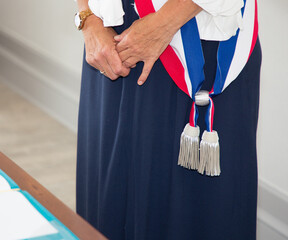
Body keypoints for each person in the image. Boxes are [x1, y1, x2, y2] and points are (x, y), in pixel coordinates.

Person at [75, 0, 261, 239]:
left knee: (188, 219)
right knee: (105, 208)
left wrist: (162, 25)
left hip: (196, 39)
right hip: (107, 38)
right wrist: (87, 18)